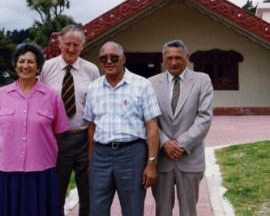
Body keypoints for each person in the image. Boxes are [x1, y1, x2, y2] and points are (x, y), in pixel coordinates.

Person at [83, 41, 160, 216]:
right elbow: (91, 128)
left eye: (114, 57)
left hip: (132, 155)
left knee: (132, 210)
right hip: (101, 156)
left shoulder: (142, 85)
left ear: (123, 59)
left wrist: (151, 164)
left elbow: (152, 128)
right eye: (103, 58)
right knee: (97, 210)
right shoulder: (93, 88)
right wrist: (91, 161)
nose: (108, 61)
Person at [0, 43, 69, 216]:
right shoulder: (2, 95)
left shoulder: (52, 97)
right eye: (21, 61)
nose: (25, 66)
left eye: (31, 62)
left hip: (41, 171)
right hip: (8, 170)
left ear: (38, 67)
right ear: (15, 65)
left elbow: (58, 132)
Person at [149, 39, 214, 216]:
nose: (174, 62)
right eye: (169, 58)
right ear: (163, 59)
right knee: (162, 211)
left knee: (189, 211)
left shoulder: (202, 80)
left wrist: (181, 144)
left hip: (190, 157)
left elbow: (204, 117)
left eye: (178, 57)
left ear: (187, 57)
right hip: (162, 159)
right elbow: (147, 119)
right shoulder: (151, 83)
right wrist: (164, 143)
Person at [40, 25, 99, 216]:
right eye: (68, 44)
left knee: (88, 191)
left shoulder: (91, 70)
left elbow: (97, 104)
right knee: (56, 190)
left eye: (76, 44)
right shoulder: (46, 68)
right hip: (56, 139)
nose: (71, 49)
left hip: (84, 137)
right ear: (59, 43)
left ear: (83, 45)